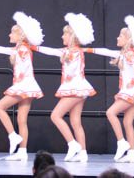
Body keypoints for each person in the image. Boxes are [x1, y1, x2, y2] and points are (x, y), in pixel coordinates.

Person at [85, 15, 134, 163]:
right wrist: (88, 49)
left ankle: (121, 142)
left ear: (128, 39)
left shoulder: (129, 55)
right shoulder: (124, 54)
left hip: (132, 91)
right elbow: (105, 51)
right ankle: (132, 154)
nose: (117, 37)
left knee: (110, 113)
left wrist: (129, 86)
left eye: (120, 36)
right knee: (127, 122)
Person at [0, 11, 45, 161]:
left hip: (23, 85)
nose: (9, 35)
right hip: (28, 85)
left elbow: (5, 50)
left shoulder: (21, 49)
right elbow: (4, 50)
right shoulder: (23, 49)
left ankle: (12, 135)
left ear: (20, 35)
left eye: (12, 33)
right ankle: (22, 152)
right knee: (22, 119)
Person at [34, 13, 96, 162]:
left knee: (55, 116)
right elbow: (51, 51)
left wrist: (64, 55)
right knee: (75, 121)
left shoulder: (74, 52)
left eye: (64, 34)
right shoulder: (69, 51)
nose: (62, 37)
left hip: (75, 88)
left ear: (72, 36)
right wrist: (34, 47)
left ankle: (72, 144)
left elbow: (64, 58)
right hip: (78, 89)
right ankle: (83, 153)